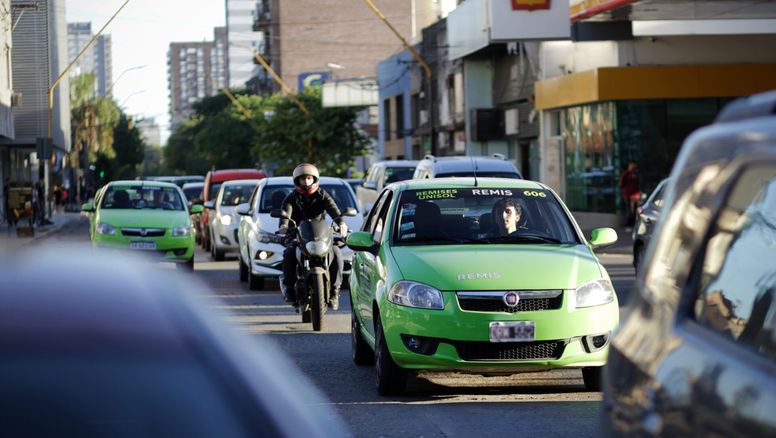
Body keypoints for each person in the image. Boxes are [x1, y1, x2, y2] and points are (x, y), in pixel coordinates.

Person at [278, 163, 348, 311]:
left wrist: (341, 222)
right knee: (289, 253)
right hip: (298, 235)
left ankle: (335, 291)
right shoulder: (291, 198)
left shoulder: (322, 195)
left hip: (321, 235)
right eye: (302, 179)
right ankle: (289, 289)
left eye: (309, 178)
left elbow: (333, 209)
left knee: (336, 252)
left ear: (314, 179)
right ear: (297, 181)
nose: (306, 182)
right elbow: (285, 214)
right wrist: (284, 226)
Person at [619, 161, 640, 227]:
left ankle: (633, 222)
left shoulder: (636, 174)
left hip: (635, 194)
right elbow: (621, 183)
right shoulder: (626, 174)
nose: (634, 167)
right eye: (632, 165)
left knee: (635, 208)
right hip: (628, 194)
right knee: (629, 209)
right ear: (630, 165)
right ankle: (629, 223)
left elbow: (638, 183)